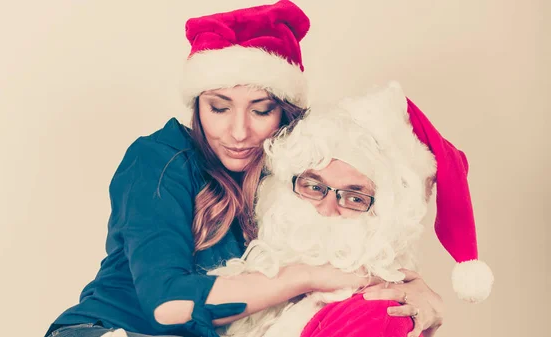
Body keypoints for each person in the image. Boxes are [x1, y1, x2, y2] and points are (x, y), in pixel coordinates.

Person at [44, 2, 457, 337]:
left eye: (261, 110)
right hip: (111, 329)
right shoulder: (159, 159)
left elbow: (360, 233)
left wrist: (419, 294)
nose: (238, 132)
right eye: (218, 108)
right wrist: (306, 276)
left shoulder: (296, 168)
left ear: (286, 112)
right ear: (197, 105)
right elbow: (168, 305)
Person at [204, 82, 492, 337]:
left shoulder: (377, 312)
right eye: (314, 187)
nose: (326, 210)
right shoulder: (260, 271)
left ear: (385, 217)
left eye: (354, 198)